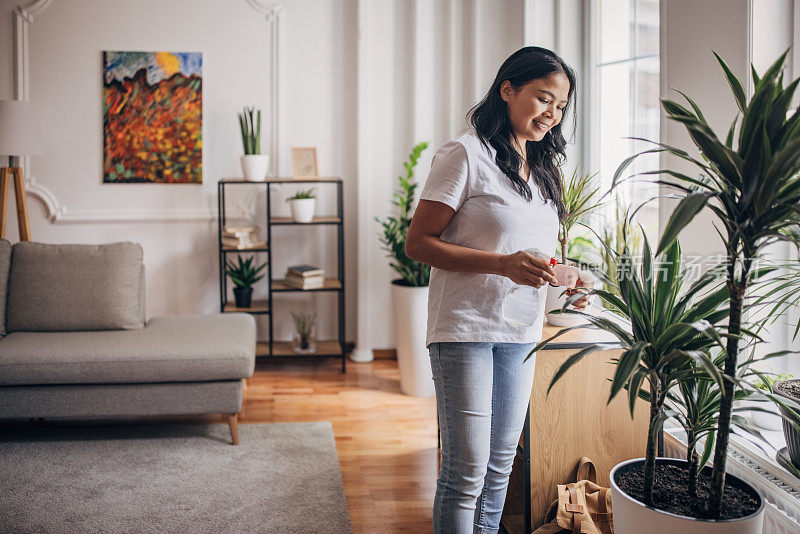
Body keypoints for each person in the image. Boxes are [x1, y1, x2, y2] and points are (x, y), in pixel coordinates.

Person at [405, 46, 591, 534]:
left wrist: (565, 274)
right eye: (543, 99)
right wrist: (503, 266)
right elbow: (418, 243)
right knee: (465, 472)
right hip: (465, 327)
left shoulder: (544, 170)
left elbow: (528, 252)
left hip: (521, 331)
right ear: (507, 89)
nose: (552, 114)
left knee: (500, 467)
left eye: (561, 107)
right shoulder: (465, 154)